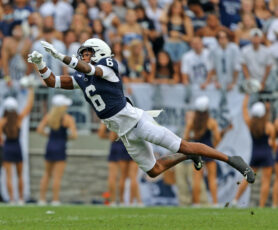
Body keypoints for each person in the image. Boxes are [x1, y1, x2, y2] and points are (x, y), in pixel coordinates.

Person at [27, 37, 255, 191]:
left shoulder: (107, 65)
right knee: (154, 170)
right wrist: (40, 64)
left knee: (183, 144)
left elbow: (87, 68)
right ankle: (189, 157)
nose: (84, 57)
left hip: (137, 122)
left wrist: (60, 57)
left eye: (87, 53)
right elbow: (52, 81)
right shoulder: (82, 78)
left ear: (99, 52)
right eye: (82, 54)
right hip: (123, 133)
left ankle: (233, 161)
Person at [232, 95, 275, 207]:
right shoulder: (269, 126)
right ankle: (261, 206)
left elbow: (244, 110)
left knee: (248, 178)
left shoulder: (250, 123)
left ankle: (235, 200)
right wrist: (268, 109)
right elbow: (273, 141)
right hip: (266, 154)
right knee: (265, 181)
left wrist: (246, 96)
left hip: (255, 154)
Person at [36, 94, 77, 206]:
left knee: (46, 174)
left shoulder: (49, 116)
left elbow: (39, 129)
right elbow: (74, 135)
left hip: (50, 145)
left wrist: (49, 135)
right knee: (57, 176)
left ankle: (42, 199)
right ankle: (55, 200)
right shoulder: (68, 119)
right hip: (60, 146)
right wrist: (65, 137)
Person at [183, 96, 220, 206]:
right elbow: (217, 138)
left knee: (197, 179)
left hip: (197, 151)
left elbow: (185, 138)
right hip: (208, 150)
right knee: (212, 178)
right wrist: (212, 148)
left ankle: (196, 204)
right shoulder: (211, 122)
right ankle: (215, 203)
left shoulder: (191, 122)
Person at [0, 87, 35, 205]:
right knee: (20, 175)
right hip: (17, 147)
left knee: (9, 176)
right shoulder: (18, 119)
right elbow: (29, 107)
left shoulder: (2, 121)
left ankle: (11, 199)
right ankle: (20, 198)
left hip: (7, 147)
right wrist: (31, 90)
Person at [98, 123, 142, 206]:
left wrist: (111, 135)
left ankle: (117, 201)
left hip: (117, 144)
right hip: (131, 144)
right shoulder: (129, 114)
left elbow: (103, 134)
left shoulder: (108, 115)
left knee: (118, 176)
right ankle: (132, 203)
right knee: (133, 176)